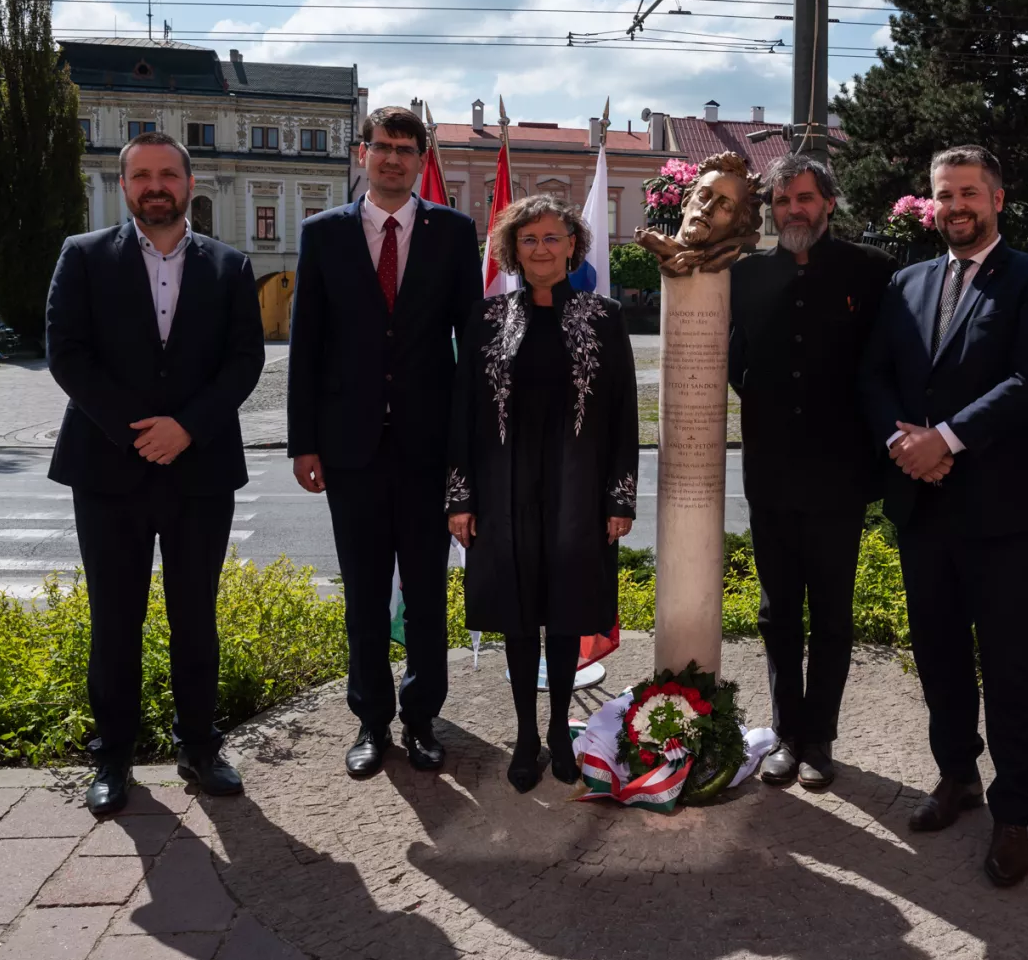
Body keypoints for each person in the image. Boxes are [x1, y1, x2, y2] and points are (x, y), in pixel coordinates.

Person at [859, 145, 1028, 888]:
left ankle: (1014, 812)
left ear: (997, 199)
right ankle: (957, 775)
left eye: (969, 193)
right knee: (939, 653)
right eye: (944, 194)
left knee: (1011, 664)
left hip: (1003, 509)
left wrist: (945, 439)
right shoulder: (907, 282)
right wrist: (899, 438)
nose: (956, 205)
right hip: (924, 506)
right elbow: (876, 372)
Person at [45, 130, 265, 816]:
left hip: (199, 471)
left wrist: (187, 427)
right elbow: (67, 354)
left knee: (195, 613)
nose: (155, 185)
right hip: (107, 469)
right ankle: (114, 756)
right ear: (124, 186)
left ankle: (199, 745)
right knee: (116, 617)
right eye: (142, 175)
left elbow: (243, 361)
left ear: (189, 183)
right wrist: (140, 430)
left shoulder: (229, 265)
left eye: (168, 173)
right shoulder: (82, 258)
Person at [288, 105, 481, 779]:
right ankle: (371, 719)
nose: (393, 158)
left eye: (406, 148)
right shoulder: (322, 234)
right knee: (364, 592)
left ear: (419, 159)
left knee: (427, 590)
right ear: (361, 152)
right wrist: (302, 442)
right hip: (350, 448)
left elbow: (472, 349)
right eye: (382, 146)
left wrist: (466, 450)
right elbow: (305, 343)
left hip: (428, 449)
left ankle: (423, 716)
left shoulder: (454, 233)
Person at [445, 194, 639, 793]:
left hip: (578, 490)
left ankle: (560, 732)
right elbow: (464, 413)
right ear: (511, 249)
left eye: (553, 238)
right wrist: (460, 497)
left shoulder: (605, 317)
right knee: (518, 615)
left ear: (573, 245)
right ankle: (525, 737)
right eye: (528, 240)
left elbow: (625, 415)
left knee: (565, 615)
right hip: (504, 489)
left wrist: (619, 499)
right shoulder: (483, 319)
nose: (541, 249)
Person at [729, 153, 896, 790]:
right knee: (777, 611)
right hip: (770, 467)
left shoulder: (872, 272)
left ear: (828, 202)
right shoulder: (745, 276)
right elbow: (734, 362)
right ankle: (785, 732)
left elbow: (885, 361)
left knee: (830, 611)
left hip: (840, 471)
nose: (792, 211)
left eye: (803, 198)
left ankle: (820, 738)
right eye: (780, 201)